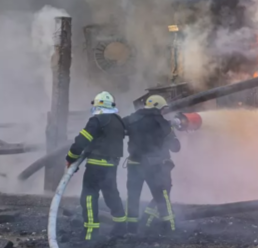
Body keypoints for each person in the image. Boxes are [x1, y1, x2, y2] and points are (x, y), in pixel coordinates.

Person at [66, 91, 127, 240]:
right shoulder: (118, 121)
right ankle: (121, 228)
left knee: (88, 196)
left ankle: (90, 233)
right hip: (112, 165)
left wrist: (71, 157)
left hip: (96, 165)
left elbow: (81, 141)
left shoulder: (97, 120)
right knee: (111, 195)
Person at [123, 95, 181, 235]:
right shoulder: (163, 123)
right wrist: (172, 127)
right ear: (159, 108)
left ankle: (131, 230)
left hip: (134, 164)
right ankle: (169, 229)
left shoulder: (131, 119)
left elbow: (120, 130)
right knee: (162, 197)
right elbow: (175, 147)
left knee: (133, 197)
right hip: (154, 166)